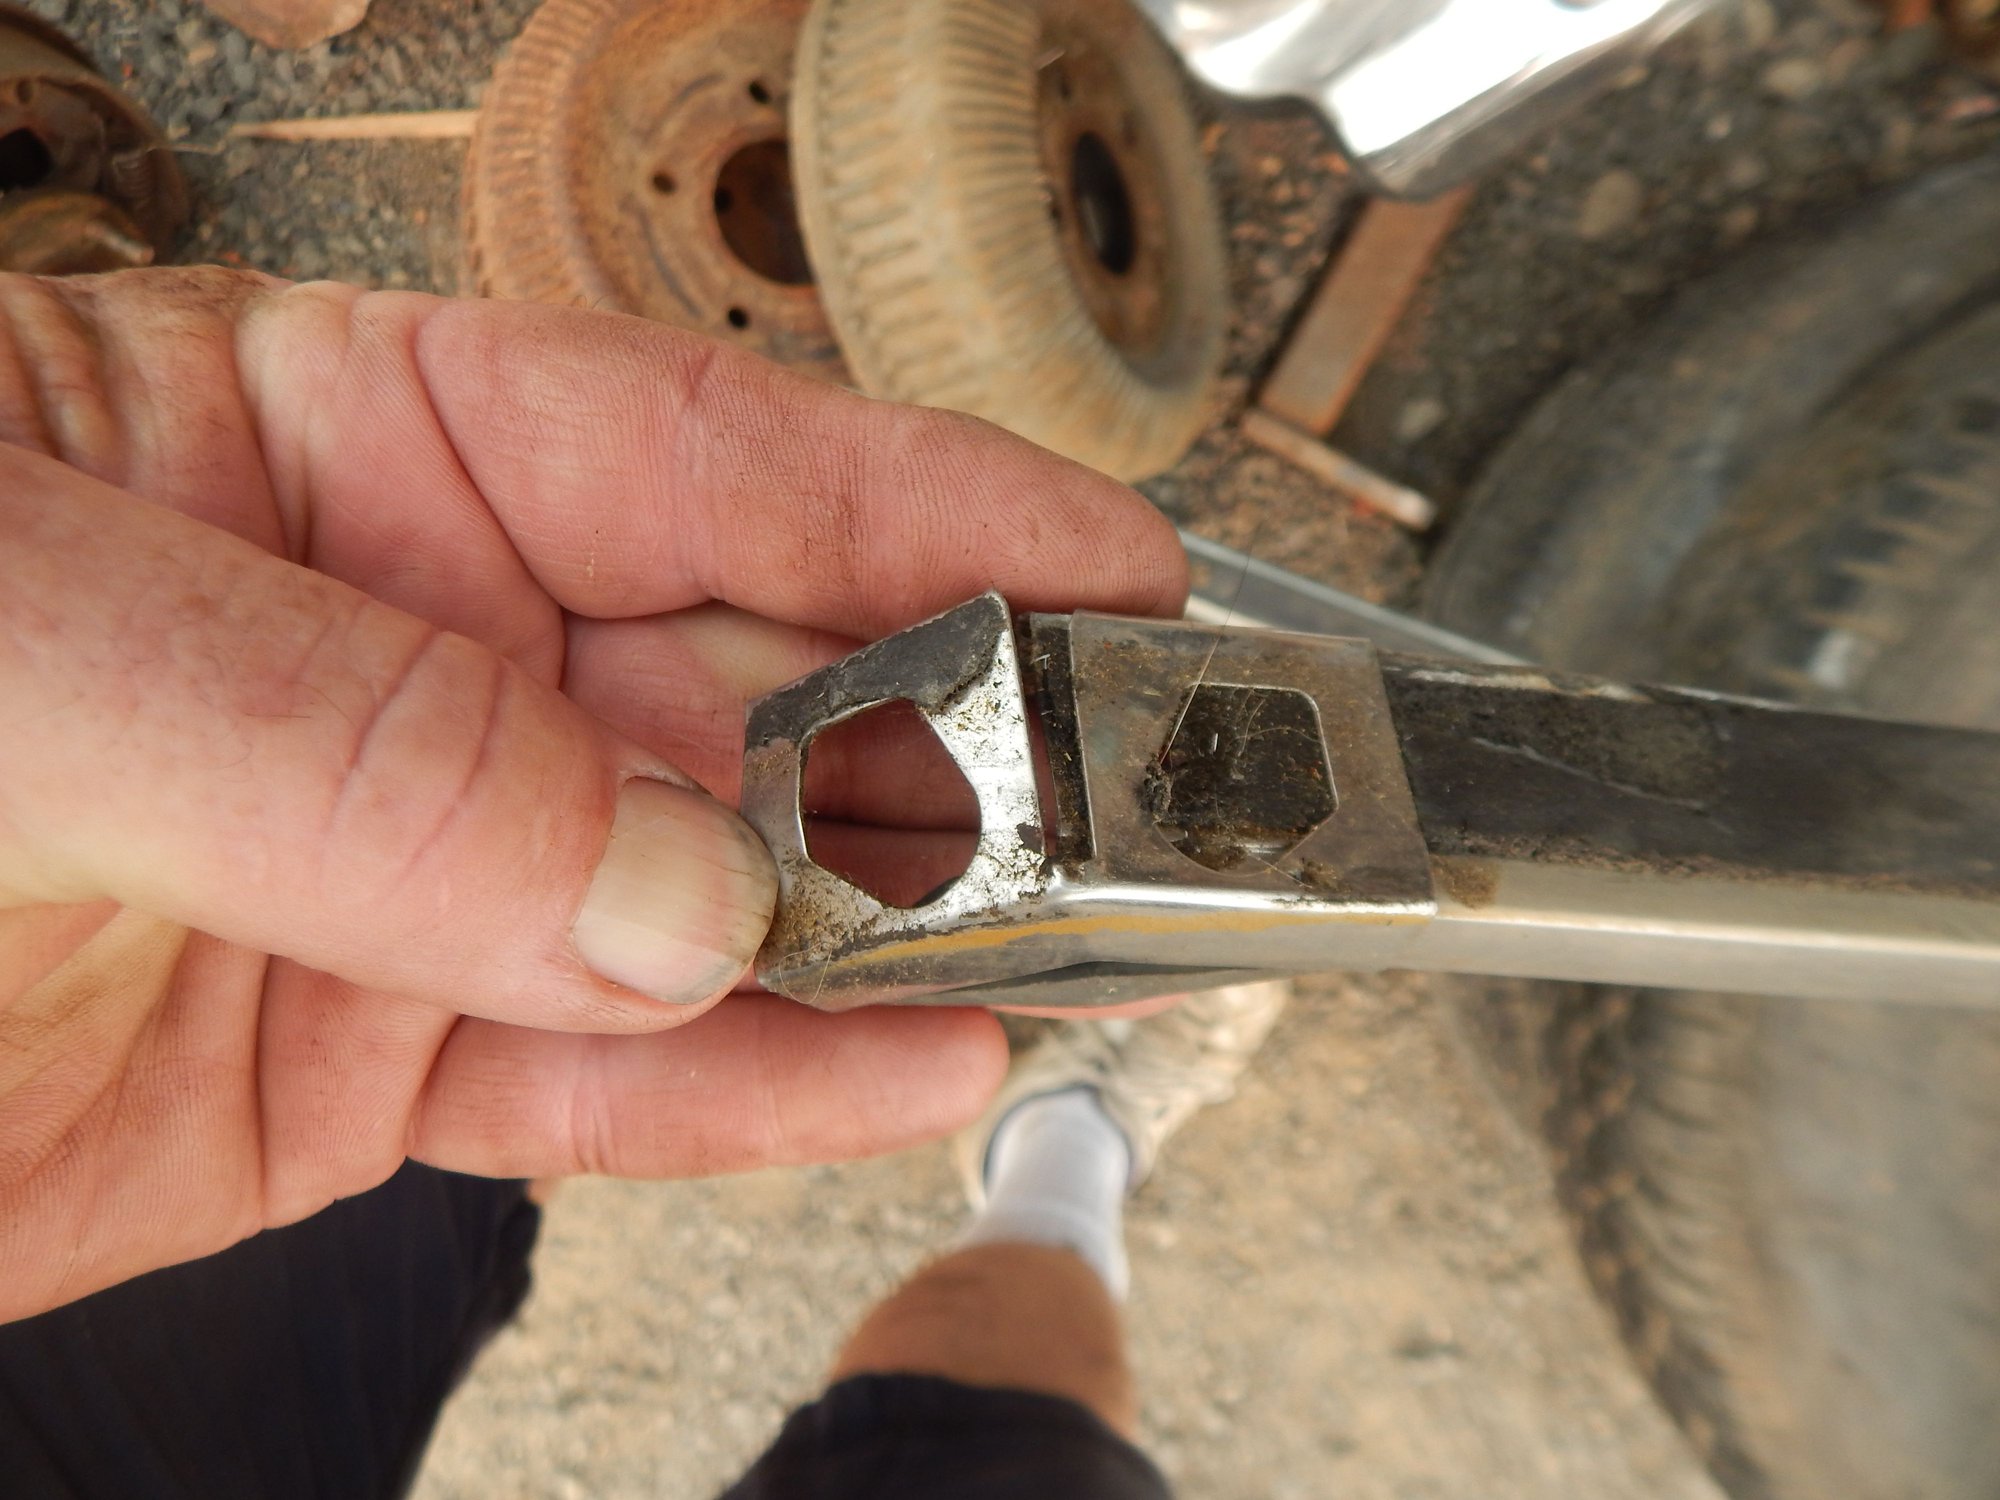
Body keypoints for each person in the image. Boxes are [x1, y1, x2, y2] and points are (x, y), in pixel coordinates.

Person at [0, 265, 1200, 1495]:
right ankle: (1068, 1154)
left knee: (428, 1123)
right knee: (1006, 1455)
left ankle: (1057, 1145)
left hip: (153, 1212)